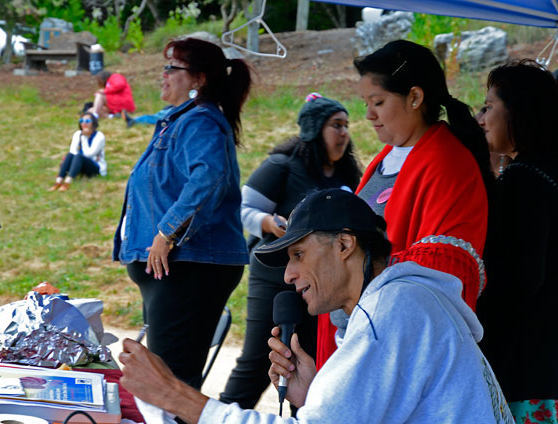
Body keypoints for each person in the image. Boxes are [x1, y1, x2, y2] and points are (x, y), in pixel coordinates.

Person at [118, 188, 514, 423]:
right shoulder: (402, 302)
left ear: (344, 245)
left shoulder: (392, 310)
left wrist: (175, 396)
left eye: (298, 255)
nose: (289, 275)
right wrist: (315, 397)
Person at [315, 39, 494, 368]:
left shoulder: (447, 163)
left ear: (415, 97)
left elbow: (439, 274)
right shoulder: (385, 159)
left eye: (378, 102)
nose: (368, 115)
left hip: (395, 349)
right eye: (366, 103)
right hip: (356, 337)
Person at [112, 37, 252, 390]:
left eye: (171, 68)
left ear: (198, 79)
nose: (163, 75)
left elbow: (208, 176)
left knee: (173, 385)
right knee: (167, 380)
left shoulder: (201, 122)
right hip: (182, 269)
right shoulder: (182, 121)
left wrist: (167, 232)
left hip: (192, 267)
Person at [220, 93, 361, 409]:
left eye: (346, 126)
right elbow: (243, 208)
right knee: (261, 357)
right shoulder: (282, 166)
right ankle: (225, 413)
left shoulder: (347, 176)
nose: (344, 134)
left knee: (312, 360)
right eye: (336, 125)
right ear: (314, 128)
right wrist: (269, 223)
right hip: (275, 280)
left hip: (325, 286)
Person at [476, 60, 558, 423]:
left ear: (519, 111)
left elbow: (518, 281)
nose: (481, 118)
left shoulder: (523, 181)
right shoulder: (548, 171)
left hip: (527, 370)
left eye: (489, 106)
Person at [48, 112, 106, 192]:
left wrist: (84, 138)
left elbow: (89, 154)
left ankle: (67, 182)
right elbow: (73, 151)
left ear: (93, 122)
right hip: (80, 164)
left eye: (87, 121)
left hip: (95, 166)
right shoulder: (77, 134)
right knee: (69, 155)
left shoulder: (99, 136)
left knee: (79, 156)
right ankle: (58, 181)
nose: (84, 123)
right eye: (81, 121)